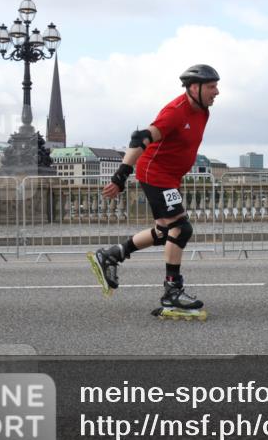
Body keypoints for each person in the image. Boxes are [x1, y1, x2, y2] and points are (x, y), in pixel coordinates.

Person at [88, 64, 219, 317]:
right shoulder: (175, 112)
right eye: (212, 87)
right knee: (180, 228)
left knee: (163, 232)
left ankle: (112, 255)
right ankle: (172, 292)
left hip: (170, 177)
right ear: (195, 88)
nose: (217, 92)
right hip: (156, 174)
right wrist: (121, 175)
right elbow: (140, 138)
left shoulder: (203, 112)